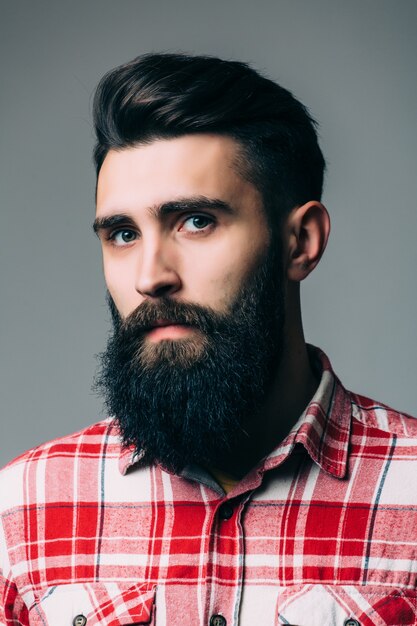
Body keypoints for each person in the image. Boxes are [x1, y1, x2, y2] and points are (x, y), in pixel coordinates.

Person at [0, 53, 416, 626]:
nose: (150, 276)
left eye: (196, 221)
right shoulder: (20, 513)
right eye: (122, 233)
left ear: (301, 242)